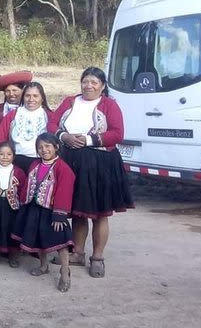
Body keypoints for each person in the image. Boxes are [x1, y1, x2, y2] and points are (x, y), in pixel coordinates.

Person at [48, 67, 134, 278]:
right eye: (86, 81)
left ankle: (97, 257)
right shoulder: (70, 101)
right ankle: (77, 253)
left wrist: (88, 140)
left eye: (94, 82)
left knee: (99, 213)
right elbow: (51, 123)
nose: (89, 86)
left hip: (100, 163)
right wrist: (64, 136)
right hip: (72, 161)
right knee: (78, 211)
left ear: (103, 86)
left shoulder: (109, 105)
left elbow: (117, 133)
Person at [11, 133, 75, 292]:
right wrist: (22, 201)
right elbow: (27, 184)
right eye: (40, 147)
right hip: (34, 207)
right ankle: (43, 265)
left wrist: (59, 214)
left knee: (61, 240)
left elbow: (64, 190)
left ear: (56, 147)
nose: (44, 150)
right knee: (38, 238)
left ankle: (65, 271)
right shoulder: (34, 164)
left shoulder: (62, 168)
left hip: (52, 211)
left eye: (47, 146)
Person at [0, 81, 51, 170]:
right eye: (27, 95)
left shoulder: (49, 116)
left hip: (40, 160)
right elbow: (0, 137)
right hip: (15, 160)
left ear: (42, 98)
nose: (31, 99)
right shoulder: (13, 114)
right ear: (23, 97)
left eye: (35, 96)